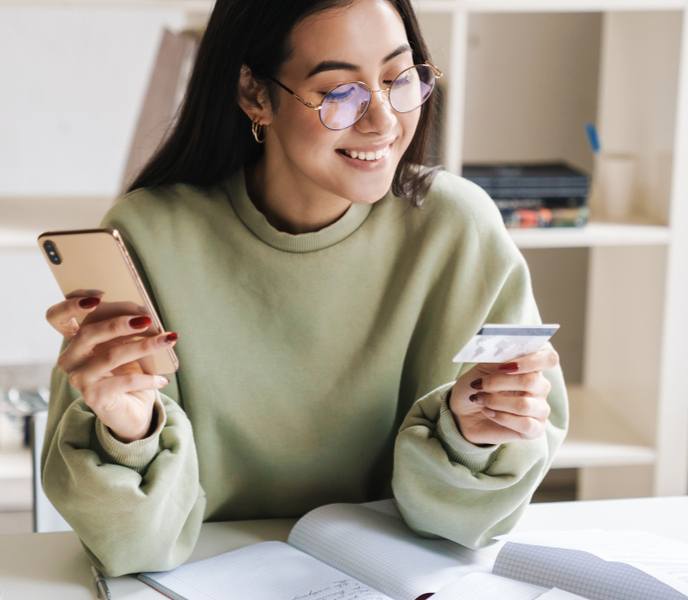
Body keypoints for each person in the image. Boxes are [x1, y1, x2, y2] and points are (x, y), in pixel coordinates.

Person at [42, 0, 567, 577]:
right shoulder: (150, 235)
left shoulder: (457, 228)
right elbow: (134, 549)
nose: (384, 122)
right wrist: (129, 430)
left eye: (399, 79)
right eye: (342, 93)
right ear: (254, 94)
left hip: (393, 579)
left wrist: (476, 435)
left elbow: (466, 528)